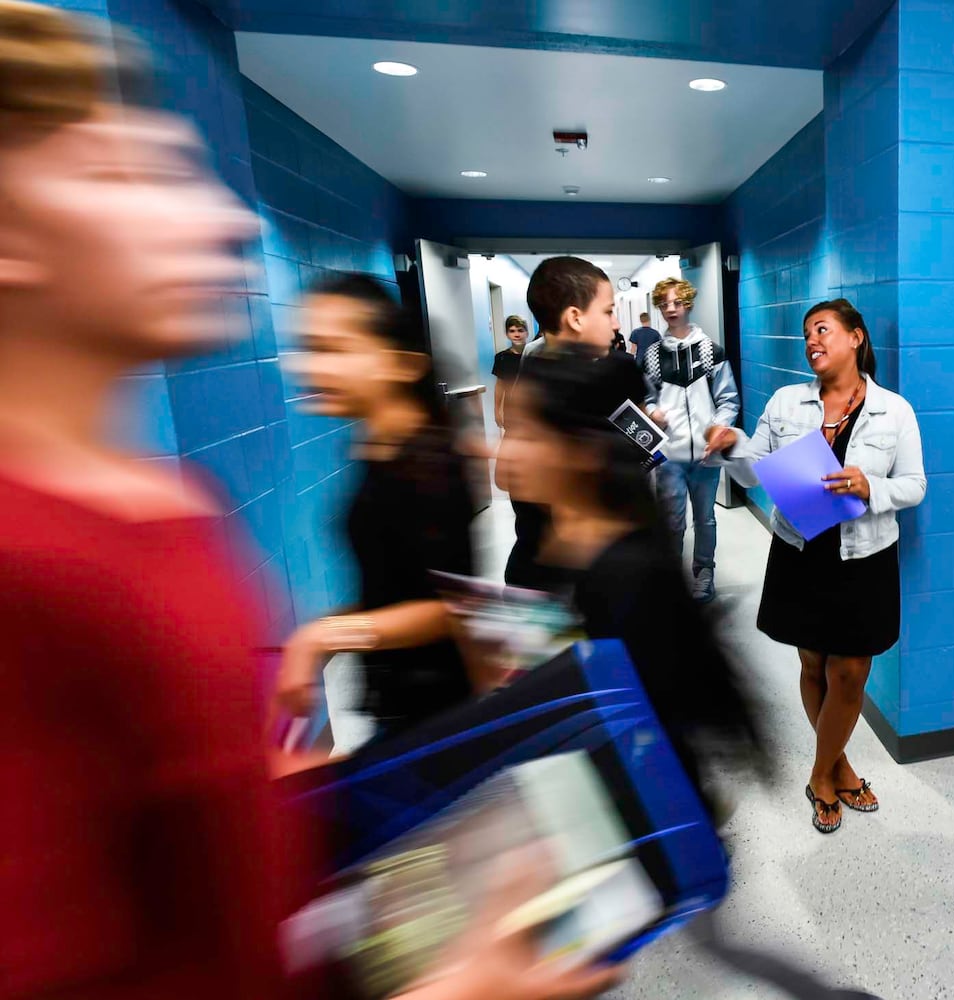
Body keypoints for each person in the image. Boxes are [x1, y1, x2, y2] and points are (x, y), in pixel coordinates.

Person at [0, 6, 619, 1000]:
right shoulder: (31, 562)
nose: (231, 220)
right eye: (119, 176)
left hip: (424, 720)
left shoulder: (166, 507)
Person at [499, 349, 770, 817]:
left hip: (642, 815)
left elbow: (643, 727)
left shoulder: (623, 573)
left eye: (528, 434)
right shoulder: (569, 553)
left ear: (577, 454)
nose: (507, 450)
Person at [710, 299, 925, 833]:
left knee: (849, 672)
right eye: (807, 333)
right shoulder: (786, 402)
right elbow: (755, 472)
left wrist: (869, 485)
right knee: (812, 665)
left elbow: (916, 486)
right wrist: (732, 443)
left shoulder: (893, 410)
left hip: (864, 556)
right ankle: (839, 767)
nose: (812, 340)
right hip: (801, 551)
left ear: (856, 337)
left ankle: (819, 770)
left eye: (823, 330)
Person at [276, 274, 485, 739]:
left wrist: (322, 637)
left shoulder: (426, 463)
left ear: (402, 364)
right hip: (400, 698)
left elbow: (448, 607)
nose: (310, 367)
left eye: (334, 349)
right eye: (309, 347)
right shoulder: (378, 447)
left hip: (438, 712)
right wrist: (333, 628)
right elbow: (395, 585)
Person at [500, 256, 645, 591]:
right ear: (575, 318)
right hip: (565, 585)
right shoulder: (543, 389)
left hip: (577, 578)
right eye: (608, 312)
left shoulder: (615, 373)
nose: (616, 324)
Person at [642, 276, 740, 603]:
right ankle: (673, 579)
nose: (671, 309)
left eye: (677, 302)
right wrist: (653, 411)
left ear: (688, 303)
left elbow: (729, 400)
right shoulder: (652, 356)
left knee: (706, 518)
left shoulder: (712, 351)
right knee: (671, 522)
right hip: (668, 454)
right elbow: (648, 398)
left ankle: (704, 573)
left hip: (706, 455)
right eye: (664, 303)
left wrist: (719, 428)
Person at [492, 313, 528, 428]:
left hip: (532, 408)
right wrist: (497, 410)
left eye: (520, 330)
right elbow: (500, 386)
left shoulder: (533, 354)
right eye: (512, 331)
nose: (516, 334)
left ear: (526, 333)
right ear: (507, 334)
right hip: (512, 409)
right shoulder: (502, 357)